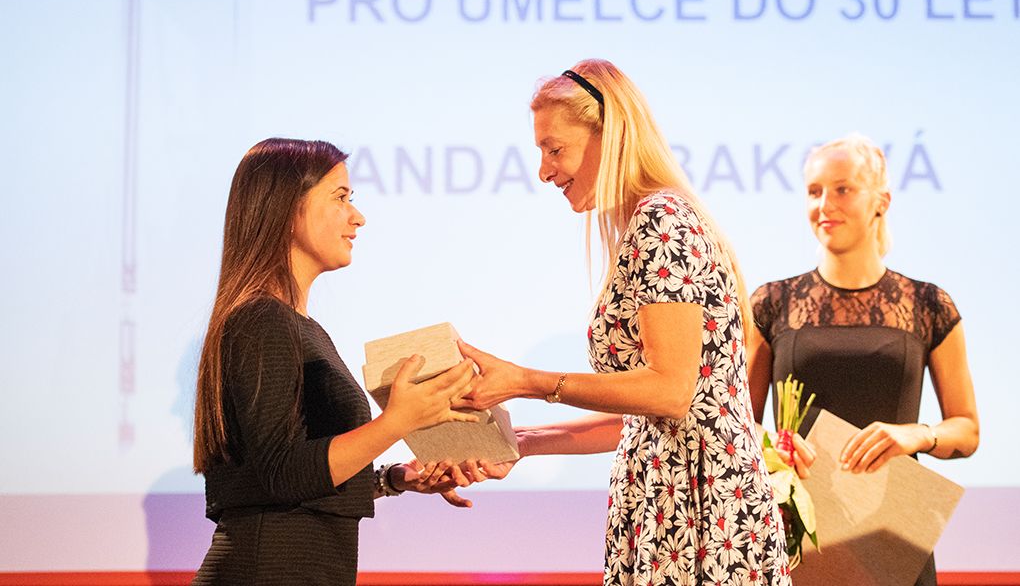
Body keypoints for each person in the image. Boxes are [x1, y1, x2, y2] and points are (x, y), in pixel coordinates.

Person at [459, 60, 791, 586]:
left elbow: (669, 392)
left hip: (699, 512)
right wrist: (523, 441)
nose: (544, 171)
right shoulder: (646, 222)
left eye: (554, 149)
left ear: (608, 135)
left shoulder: (662, 221)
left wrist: (524, 381)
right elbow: (641, 418)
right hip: (669, 505)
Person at [191, 138, 477, 585]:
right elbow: (283, 472)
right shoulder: (261, 320)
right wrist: (397, 421)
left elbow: (302, 475)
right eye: (340, 197)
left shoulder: (299, 326)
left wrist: (394, 479)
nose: (357, 216)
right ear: (288, 209)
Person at [747, 133, 980, 586]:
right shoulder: (771, 303)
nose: (824, 205)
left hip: (894, 536)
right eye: (814, 191)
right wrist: (776, 446)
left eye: (843, 189)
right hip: (800, 534)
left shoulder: (928, 304)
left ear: (881, 202)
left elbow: (967, 430)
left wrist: (916, 434)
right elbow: (736, 424)